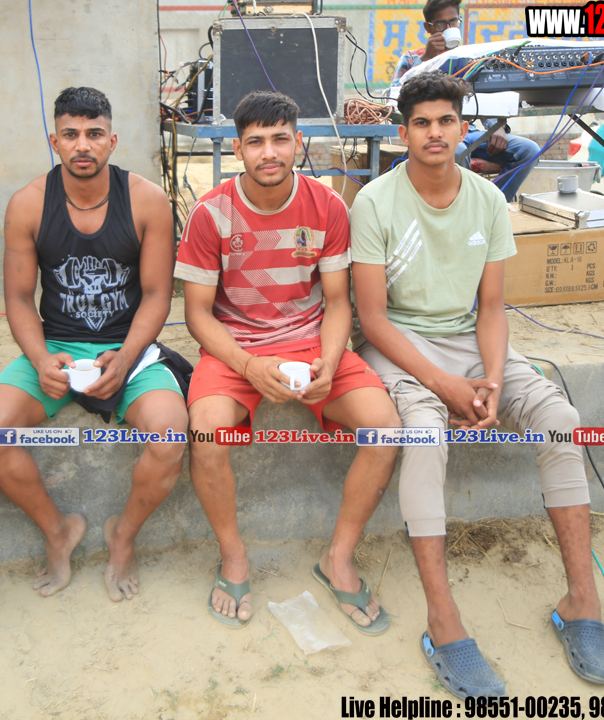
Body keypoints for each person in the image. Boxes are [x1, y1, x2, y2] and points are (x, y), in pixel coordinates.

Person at [351, 70, 604, 697]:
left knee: (560, 421)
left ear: (464, 128)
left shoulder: (488, 199)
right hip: (400, 345)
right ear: (403, 133)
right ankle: (443, 621)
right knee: (424, 437)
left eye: (446, 121)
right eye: (422, 123)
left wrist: (493, 381)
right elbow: (373, 320)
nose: (435, 133)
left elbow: (492, 307)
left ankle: (581, 601)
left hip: (471, 342)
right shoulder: (375, 202)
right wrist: (444, 385)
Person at [175, 90, 400, 630]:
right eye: (255, 142)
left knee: (385, 431)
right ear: (237, 149)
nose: (269, 152)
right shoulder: (209, 214)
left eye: (280, 139)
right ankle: (234, 556)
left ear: (299, 142)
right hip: (235, 348)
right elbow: (198, 315)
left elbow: (339, 302)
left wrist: (330, 363)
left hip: (312, 342)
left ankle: (338, 558)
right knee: (206, 435)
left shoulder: (328, 207)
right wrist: (248, 366)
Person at [0, 87, 188, 603]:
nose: (82, 145)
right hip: (56, 346)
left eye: (94, 134)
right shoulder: (29, 203)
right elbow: (18, 299)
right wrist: (40, 359)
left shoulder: (146, 200)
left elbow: (158, 295)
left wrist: (128, 356)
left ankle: (123, 536)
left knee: (169, 435)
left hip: (129, 348)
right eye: (70, 134)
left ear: (112, 141)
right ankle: (58, 530)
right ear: (55, 141)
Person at [390, 0, 540, 201]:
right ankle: (458, 207)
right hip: (435, 133)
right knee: (456, 149)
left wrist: (496, 127)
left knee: (529, 150)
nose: (449, 29)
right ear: (428, 28)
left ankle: (492, 203)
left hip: (470, 132)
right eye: (441, 25)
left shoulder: (470, 58)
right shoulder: (411, 59)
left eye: (453, 22)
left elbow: (483, 96)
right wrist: (426, 58)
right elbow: (395, 97)